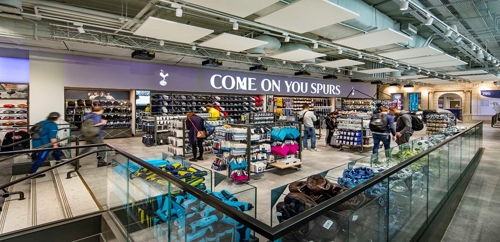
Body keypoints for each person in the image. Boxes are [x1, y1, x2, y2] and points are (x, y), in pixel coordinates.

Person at [28, 112, 61, 178]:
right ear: (57, 118)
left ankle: (58, 160)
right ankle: (31, 173)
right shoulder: (53, 125)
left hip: (36, 142)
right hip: (44, 145)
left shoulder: (42, 122)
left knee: (59, 148)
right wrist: (55, 146)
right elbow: (52, 137)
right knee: (41, 158)